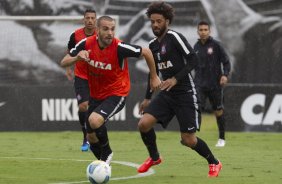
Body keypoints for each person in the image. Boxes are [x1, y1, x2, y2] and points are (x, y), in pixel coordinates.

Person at [137, 1, 222, 177]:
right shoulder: (152, 45)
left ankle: (214, 162)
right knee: (144, 124)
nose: (155, 25)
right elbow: (153, 74)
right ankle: (154, 157)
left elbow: (193, 60)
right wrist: (147, 98)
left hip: (185, 93)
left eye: (159, 21)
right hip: (167, 94)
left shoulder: (174, 37)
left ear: (167, 21)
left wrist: (175, 79)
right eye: (152, 22)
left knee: (188, 140)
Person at [60, 15, 161, 164]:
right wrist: (77, 58)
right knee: (91, 137)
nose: (110, 33)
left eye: (112, 29)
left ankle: (107, 153)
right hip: (96, 94)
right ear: (97, 30)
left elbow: (146, 52)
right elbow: (63, 62)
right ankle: (103, 166)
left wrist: (154, 77)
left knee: (94, 120)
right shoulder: (86, 44)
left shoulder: (119, 47)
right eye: (106, 29)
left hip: (117, 93)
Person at [63, 9, 97, 152]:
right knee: (83, 106)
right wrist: (68, 68)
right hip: (81, 75)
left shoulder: (101, 34)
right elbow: (70, 53)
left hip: (98, 77)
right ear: (84, 19)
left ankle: (95, 134)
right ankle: (86, 137)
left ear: (96, 20)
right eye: (87, 18)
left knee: (95, 110)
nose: (90, 20)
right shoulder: (75, 35)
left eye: (92, 18)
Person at [194, 21, 231, 147]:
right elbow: (190, 65)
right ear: (197, 32)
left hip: (215, 84)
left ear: (209, 31)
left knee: (218, 111)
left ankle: (222, 138)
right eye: (201, 30)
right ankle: (192, 137)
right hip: (199, 84)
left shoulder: (216, 45)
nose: (203, 32)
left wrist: (225, 75)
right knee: (196, 108)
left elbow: (226, 62)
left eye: (205, 29)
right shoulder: (195, 47)